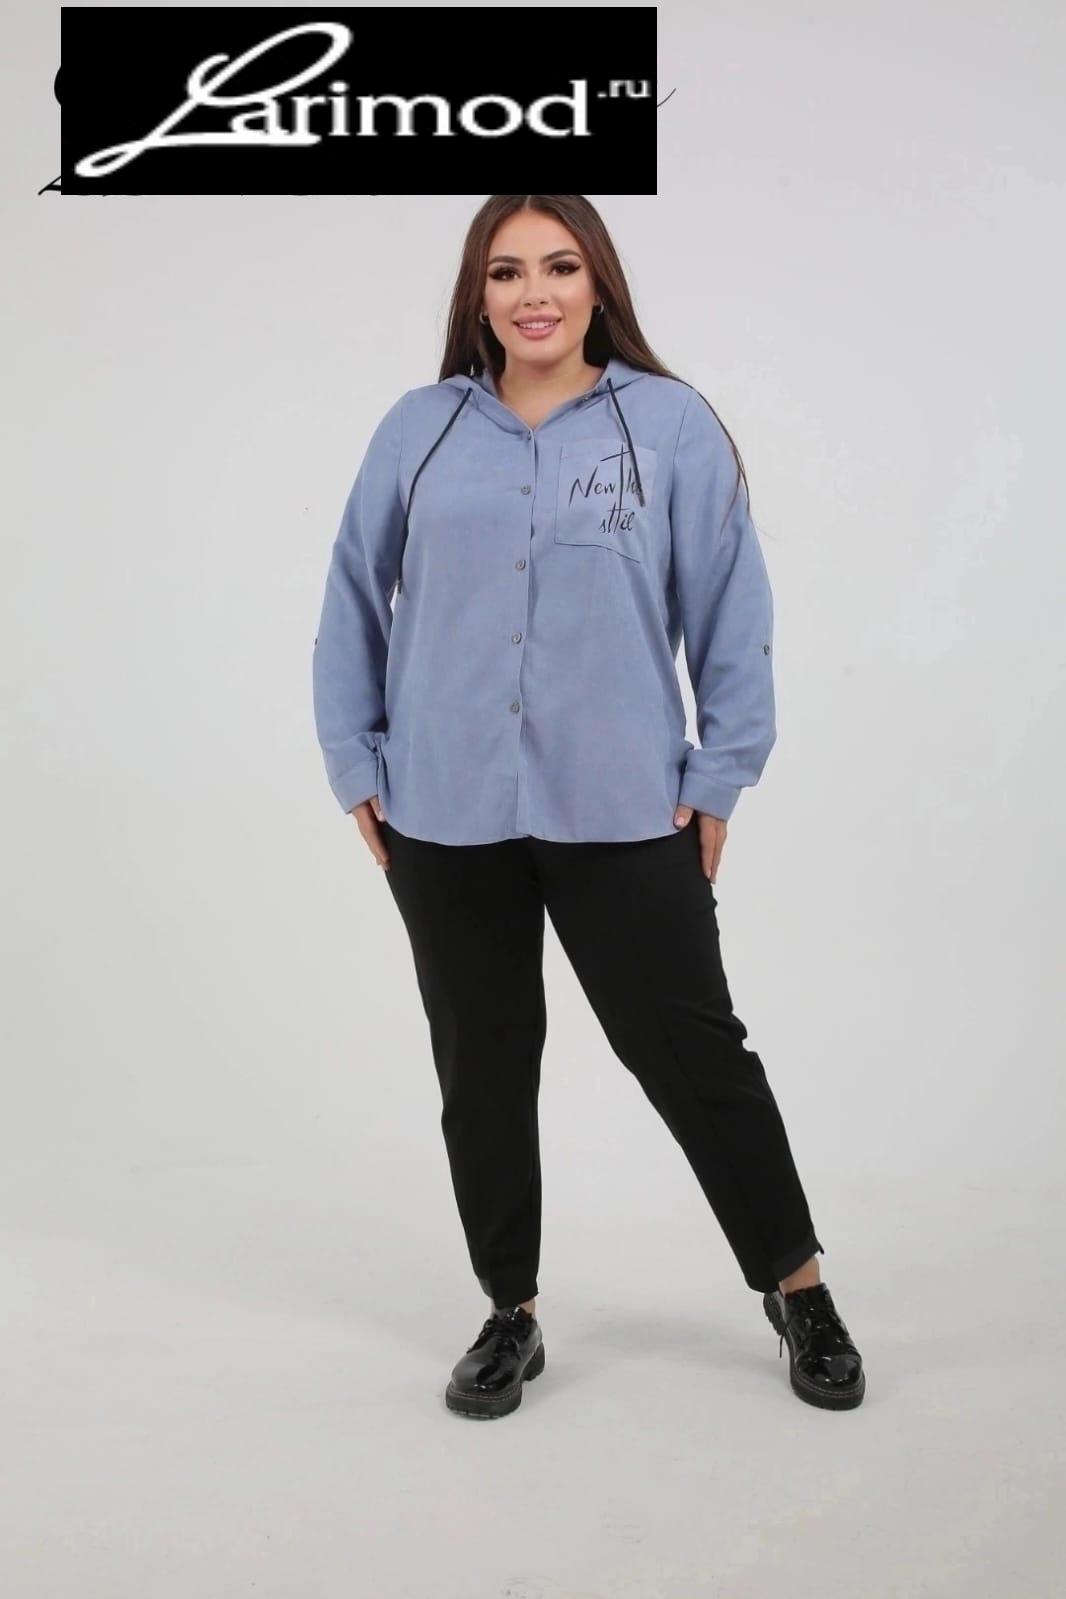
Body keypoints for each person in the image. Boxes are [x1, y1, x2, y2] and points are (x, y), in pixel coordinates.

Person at [312, 194, 865, 1418]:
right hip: (444, 808)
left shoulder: (666, 425)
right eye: (506, 271)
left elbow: (730, 605)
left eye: (559, 266)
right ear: (477, 294)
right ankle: (508, 1312)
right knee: (482, 1065)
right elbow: (354, 592)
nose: (534, 294)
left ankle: (799, 1288)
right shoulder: (419, 430)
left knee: (695, 1053)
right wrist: (357, 762)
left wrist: (719, 773)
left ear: (598, 283)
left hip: (623, 806)